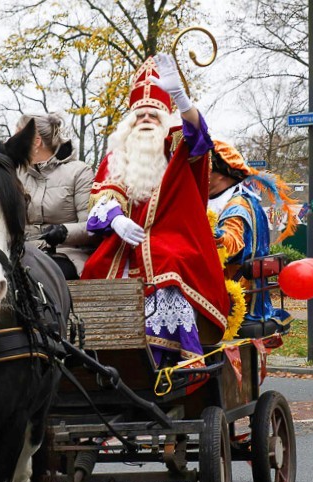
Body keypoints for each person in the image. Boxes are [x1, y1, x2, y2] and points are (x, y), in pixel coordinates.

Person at [81, 53, 230, 367]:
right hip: (123, 244)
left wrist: (180, 98)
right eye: (140, 115)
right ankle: (97, 353)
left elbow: (199, 139)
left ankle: (168, 356)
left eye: (153, 115)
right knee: (92, 270)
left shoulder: (176, 146)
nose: (145, 120)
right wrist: (115, 218)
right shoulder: (117, 156)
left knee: (167, 259)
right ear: (129, 122)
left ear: (165, 120)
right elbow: (101, 202)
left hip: (175, 239)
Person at [208, 140, 297, 333]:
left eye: (206, 169)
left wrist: (209, 235)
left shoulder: (237, 205)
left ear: (224, 174)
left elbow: (231, 244)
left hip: (233, 296)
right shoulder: (229, 200)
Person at [16, 112, 96, 279]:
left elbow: (91, 226)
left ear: (36, 141)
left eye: (17, 136)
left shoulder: (79, 172)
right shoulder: (15, 174)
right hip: (21, 254)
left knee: (38, 275)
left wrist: (64, 232)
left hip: (65, 254)